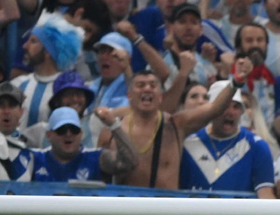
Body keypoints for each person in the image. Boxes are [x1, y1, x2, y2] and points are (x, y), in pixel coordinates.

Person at [99, 69, 236, 190]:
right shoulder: (111, 131)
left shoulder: (176, 125)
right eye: (140, 85)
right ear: (129, 96)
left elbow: (215, 108)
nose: (147, 89)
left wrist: (236, 82)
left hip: (165, 214)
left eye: (153, 85)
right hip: (125, 213)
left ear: (160, 97)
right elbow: (100, 176)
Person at [180, 82, 275, 197]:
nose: (230, 113)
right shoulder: (189, 145)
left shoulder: (256, 146)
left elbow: (266, 196)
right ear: (211, 110)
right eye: (225, 106)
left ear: (241, 111)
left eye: (236, 107)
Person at [30, 106, 135, 183]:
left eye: (74, 129)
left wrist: (114, 125)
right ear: (49, 135)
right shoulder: (34, 158)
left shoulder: (97, 158)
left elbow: (129, 163)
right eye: (62, 130)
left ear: (81, 134)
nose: (68, 134)